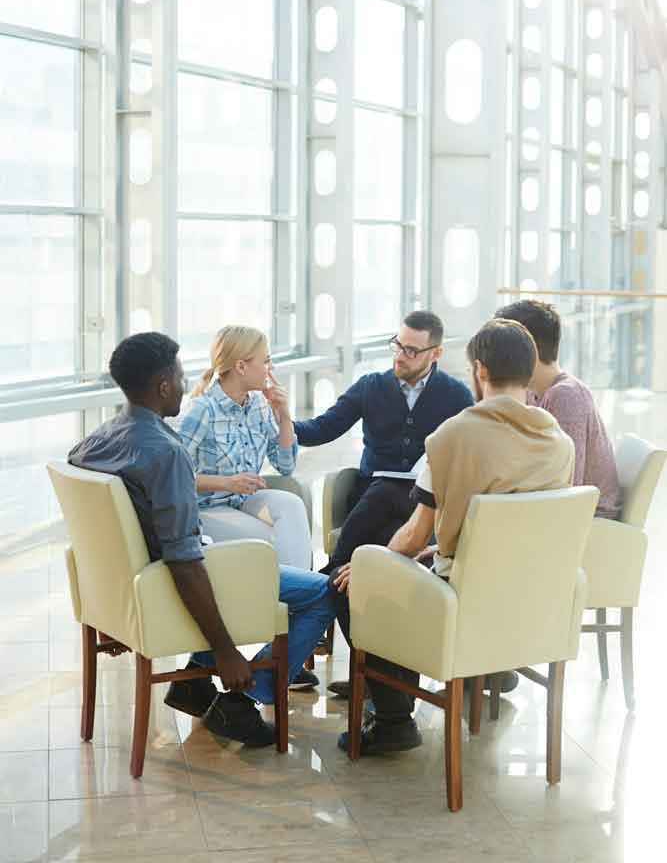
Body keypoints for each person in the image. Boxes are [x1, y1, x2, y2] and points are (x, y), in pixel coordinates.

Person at [68, 332, 334, 747]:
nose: (186, 379)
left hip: (139, 584)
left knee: (250, 552)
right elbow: (185, 561)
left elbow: (107, 538)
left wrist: (116, 610)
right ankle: (243, 702)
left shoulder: (92, 444)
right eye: (178, 373)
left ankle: (193, 685)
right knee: (323, 593)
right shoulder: (167, 452)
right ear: (162, 386)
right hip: (175, 579)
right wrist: (226, 651)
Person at [332, 319, 575, 755]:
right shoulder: (559, 442)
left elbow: (412, 535)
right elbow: (516, 526)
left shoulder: (452, 436)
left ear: (479, 370)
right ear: (529, 368)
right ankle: (478, 673)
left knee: (347, 582)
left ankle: (392, 715)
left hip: (461, 599)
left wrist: (367, 564)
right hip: (531, 600)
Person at [295, 310, 473, 697]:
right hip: (372, 499)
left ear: (435, 353)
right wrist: (280, 421)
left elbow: (468, 456)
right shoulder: (371, 386)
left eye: (412, 350)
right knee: (341, 575)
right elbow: (321, 429)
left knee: (362, 574)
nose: (401, 356)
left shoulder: (457, 396)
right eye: (398, 345)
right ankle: (372, 674)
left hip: (421, 510)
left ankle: (380, 680)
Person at [177, 326, 318, 691]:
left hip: (243, 500)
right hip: (207, 508)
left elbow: (285, 465)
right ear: (241, 366)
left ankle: (289, 624)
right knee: (265, 540)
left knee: (290, 502)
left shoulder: (257, 404)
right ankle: (289, 637)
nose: (270, 369)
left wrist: (285, 415)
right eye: (265, 361)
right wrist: (224, 482)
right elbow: (172, 477)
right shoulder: (200, 411)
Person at [495, 300, 621, 519]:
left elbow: (568, 487)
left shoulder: (566, 396)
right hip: (556, 512)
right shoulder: (531, 393)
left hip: (588, 523)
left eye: (504, 345)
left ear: (528, 347)